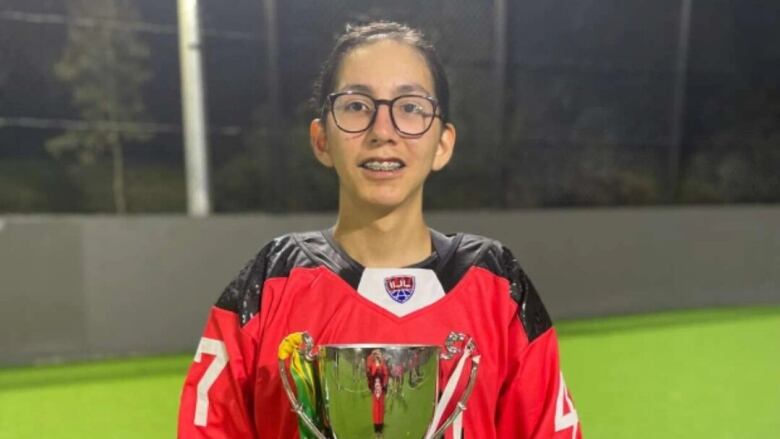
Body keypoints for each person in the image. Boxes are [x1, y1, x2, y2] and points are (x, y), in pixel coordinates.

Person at [177, 21, 581, 438]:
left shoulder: (496, 285)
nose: (383, 132)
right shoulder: (269, 284)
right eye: (356, 106)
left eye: (410, 107)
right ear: (321, 139)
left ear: (443, 143)